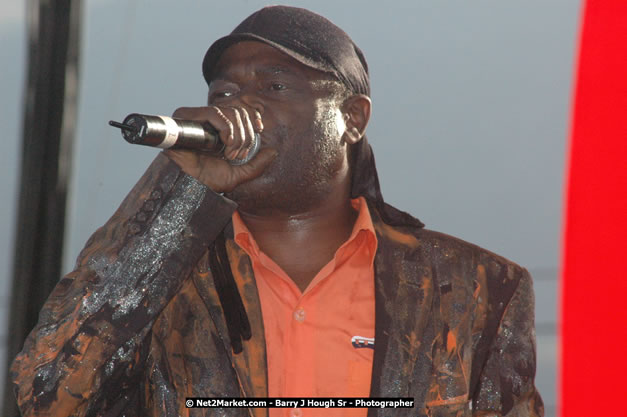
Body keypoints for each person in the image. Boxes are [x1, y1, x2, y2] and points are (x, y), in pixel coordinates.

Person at [11, 5, 544, 417]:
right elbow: (47, 394)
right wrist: (177, 190)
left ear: (352, 118)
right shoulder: (165, 285)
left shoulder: (475, 288)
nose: (239, 106)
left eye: (275, 85)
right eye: (225, 91)